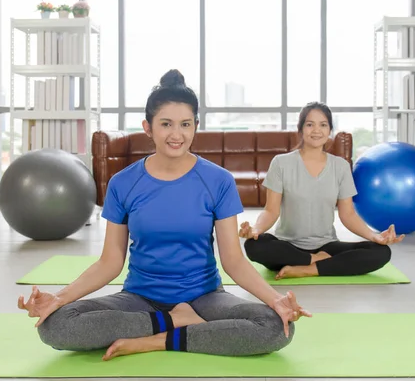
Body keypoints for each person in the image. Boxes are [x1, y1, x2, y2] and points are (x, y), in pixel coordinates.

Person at [17, 69, 311, 361]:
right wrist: (59, 298)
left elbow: (233, 261)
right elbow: (110, 262)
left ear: (196, 125)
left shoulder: (218, 180)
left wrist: (276, 300)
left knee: (276, 327)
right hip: (139, 299)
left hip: (205, 298)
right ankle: (173, 322)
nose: (176, 134)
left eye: (185, 124)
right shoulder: (123, 183)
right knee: (55, 326)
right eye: (166, 124)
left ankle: (155, 340)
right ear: (148, 127)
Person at [239, 102, 405, 280]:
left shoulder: (340, 166)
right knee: (254, 246)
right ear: (301, 129)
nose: (316, 130)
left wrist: (375, 236)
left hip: (327, 246)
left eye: (323, 125)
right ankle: (315, 261)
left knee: (381, 252)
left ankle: (306, 269)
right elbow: (271, 211)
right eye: (310, 124)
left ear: (329, 130)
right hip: (287, 247)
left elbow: (348, 214)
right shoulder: (281, 163)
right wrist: (256, 229)